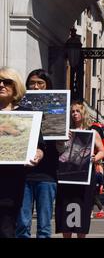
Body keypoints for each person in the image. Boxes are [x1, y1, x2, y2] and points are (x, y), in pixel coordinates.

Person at [0, 67, 45, 238]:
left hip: (12, 183)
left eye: (7, 81)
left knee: (7, 229)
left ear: (16, 86)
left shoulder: (28, 115)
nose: (1, 84)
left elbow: (40, 146)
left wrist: (36, 156)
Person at [15, 69, 58, 238]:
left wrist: (62, 141)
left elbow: (60, 149)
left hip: (47, 175)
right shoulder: (18, 109)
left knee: (44, 226)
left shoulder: (57, 111)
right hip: (23, 174)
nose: (36, 87)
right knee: (22, 224)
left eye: (41, 83)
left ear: (48, 86)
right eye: (32, 83)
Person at [54, 100, 104, 238]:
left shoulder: (92, 132)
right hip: (67, 176)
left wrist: (95, 157)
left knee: (82, 210)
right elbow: (58, 151)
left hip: (85, 177)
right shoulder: (65, 131)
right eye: (72, 111)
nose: (75, 114)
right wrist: (63, 139)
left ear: (84, 113)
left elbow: (102, 151)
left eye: (78, 111)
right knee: (65, 209)